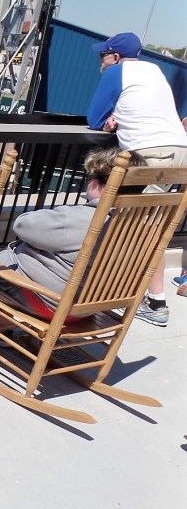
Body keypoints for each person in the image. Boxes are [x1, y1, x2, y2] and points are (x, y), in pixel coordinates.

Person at [0, 148, 147, 358]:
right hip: (87, 307)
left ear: (97, 182)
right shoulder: (143, 225)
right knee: (18, 259)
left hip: (49, 304)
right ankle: (2, 332)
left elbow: (22, 225)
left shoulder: (80, 219)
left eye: (89, 178)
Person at [86, 32, 187, 326]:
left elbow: (94, 119)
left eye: (103, 56)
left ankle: (153, 303)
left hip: (152, 154)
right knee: (148, 228)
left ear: (115, 57)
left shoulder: (116, 72)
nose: (101, 62)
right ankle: (139, 295)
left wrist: (108, 122)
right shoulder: (153, 70)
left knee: (138, 230)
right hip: (180, 151)